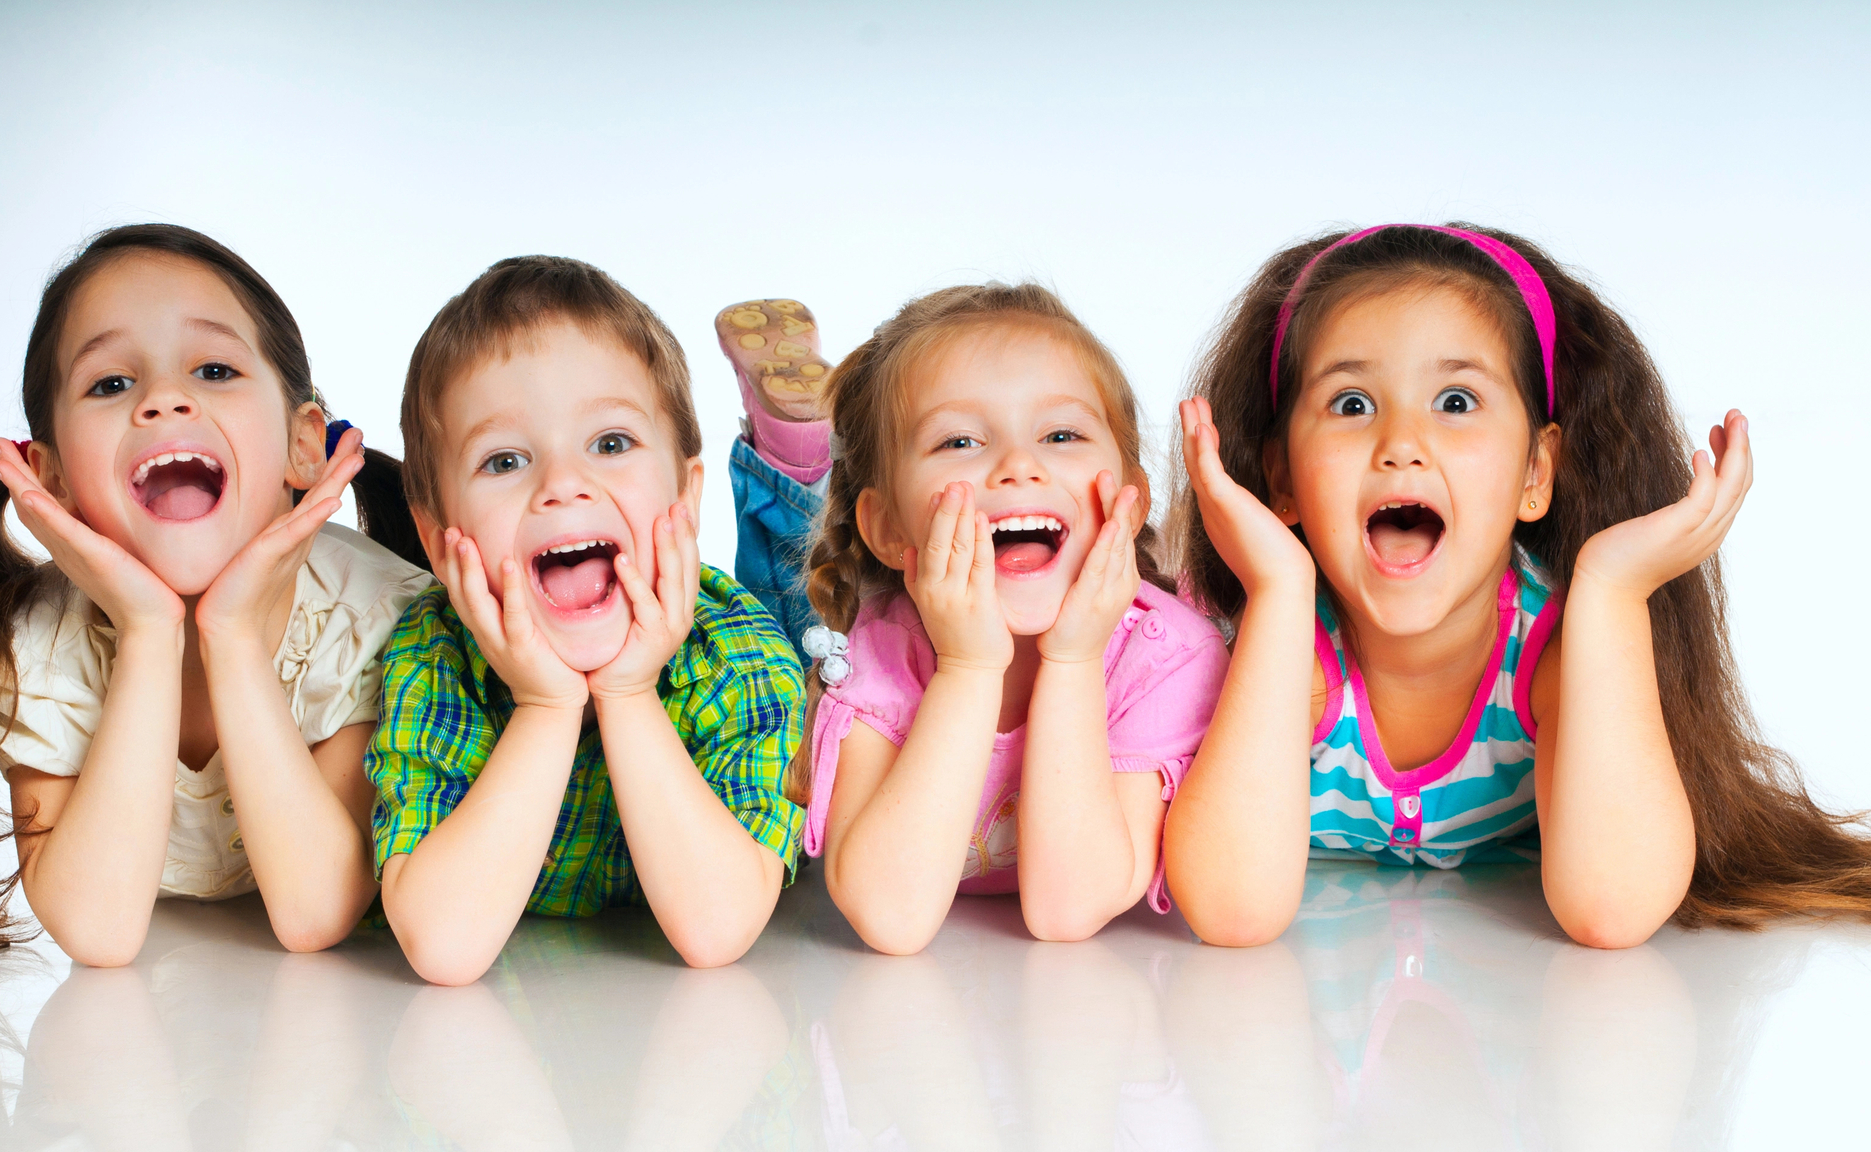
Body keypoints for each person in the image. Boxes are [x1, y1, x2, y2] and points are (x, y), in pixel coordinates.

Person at [1164, 223, 1871, 949]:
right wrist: (1277, 590)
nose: (1401, 444)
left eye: (1456, 402)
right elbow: (1230, 910)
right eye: (1352, 404)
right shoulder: (1282, 651)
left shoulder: (1554, 655)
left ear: (1536, 472)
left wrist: (1613, 590)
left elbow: (1612, 908)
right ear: (1281, 477)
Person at [0, 223, 431, 964]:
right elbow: (97, 933)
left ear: (304, 445)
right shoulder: (32, 651)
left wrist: (230, 633)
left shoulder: (378, 619)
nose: (164, 400)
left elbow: (316, 909)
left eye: (213, 370)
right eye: (111, 383)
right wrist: (147, 631)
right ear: (52, 482)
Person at [367, 255, 804, 985]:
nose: (563, 485)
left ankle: (794, 465)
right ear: (440, 536)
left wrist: (629, 692)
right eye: (504, 461)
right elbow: (444, 946)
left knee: (816, 598)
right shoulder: (432, 653)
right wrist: (548, 704)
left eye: (610, 444)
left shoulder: (742, 655)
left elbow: (718, 928)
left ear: (686, 499)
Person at [757, 282, 1228, 955]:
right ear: (890, 527)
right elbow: (889, 917)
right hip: (813, 625)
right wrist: (968, 667)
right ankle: (784, 449)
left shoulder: (1170, 656)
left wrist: (1073, 659)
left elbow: (1070, 909)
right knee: (774, 602)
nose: (1018, 465)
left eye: (1060, 434)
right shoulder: (878, 646)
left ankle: (794, 446)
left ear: (1130, 497)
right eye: (959, 442)